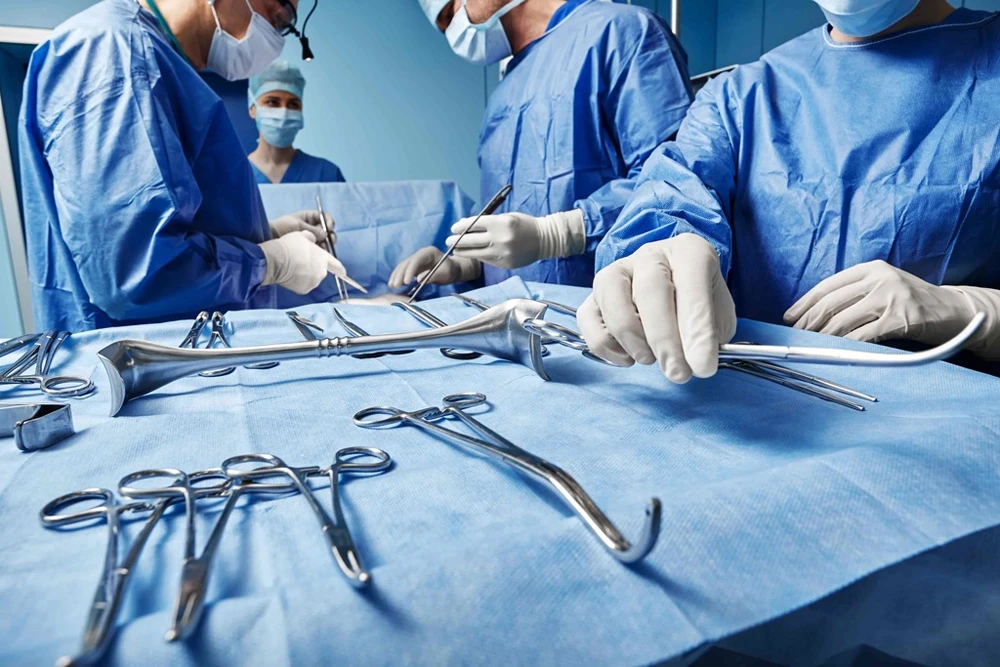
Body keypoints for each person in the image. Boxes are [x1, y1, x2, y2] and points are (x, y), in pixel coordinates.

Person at [579, 0, 1000, 383]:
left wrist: (975, 314)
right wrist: (660, 255)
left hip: (941, 433)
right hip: (747, 416)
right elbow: (676, 189)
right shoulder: (743, 94)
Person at [19, 0, 349, 332]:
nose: (276, 35)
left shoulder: (158, 62)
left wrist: (267, 234)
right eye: (276, 13)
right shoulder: (115, 52)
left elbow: (169, 223)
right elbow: (135, 275)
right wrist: (269, 262)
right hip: (137, 365)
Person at [389, 0, 693, 291]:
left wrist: (558, 235)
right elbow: (513, 228)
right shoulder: (504, 94)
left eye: (449, 10)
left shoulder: (623, 32)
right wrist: (467, 265)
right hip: (514, 325)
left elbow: (673, 184)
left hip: (604, 317)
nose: (448, 28)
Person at [247, 59, 347, 184]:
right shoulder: (236, 175)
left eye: (293, 104)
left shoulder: (326, 174)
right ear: (252, 109)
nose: (284, 111)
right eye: (272, 102)